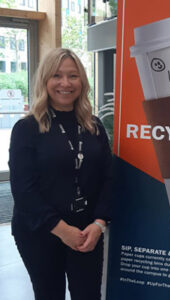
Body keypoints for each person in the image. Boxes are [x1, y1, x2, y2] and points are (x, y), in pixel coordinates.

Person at [9, 48, 112, 300]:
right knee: (49, 294)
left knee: (88, 295)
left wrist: (99, 224)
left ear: (82, 82)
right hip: (40, 231)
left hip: (87, 231)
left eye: (73, 76)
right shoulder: (27, 128)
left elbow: (109, 179)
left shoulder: (94, 126)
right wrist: (61, 229)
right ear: (45, 80)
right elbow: (24, 190)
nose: (65, 83)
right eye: (57, 75)